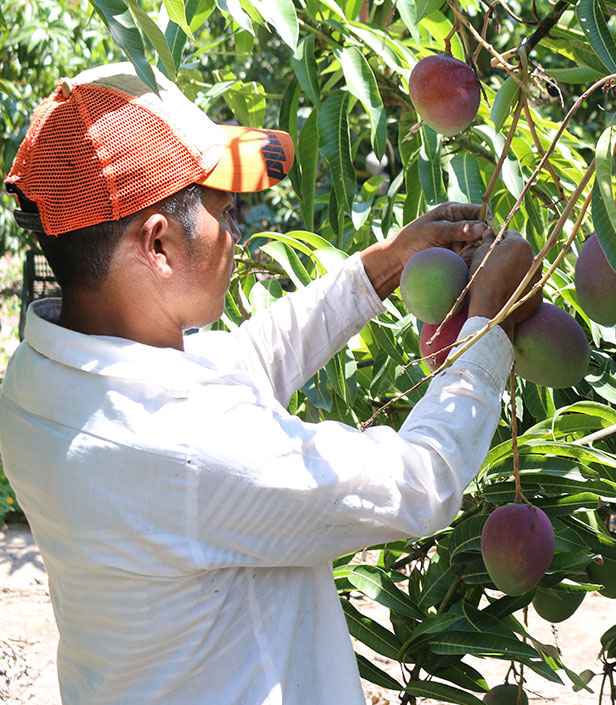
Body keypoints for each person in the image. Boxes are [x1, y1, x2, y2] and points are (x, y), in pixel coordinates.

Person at [0, 63, 537, 705]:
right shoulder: (186, 445)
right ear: (161, 245)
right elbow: (420, 481)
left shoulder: (39, 380)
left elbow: (234, 366)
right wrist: (487, 328)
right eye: (224, 213)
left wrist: (379, 269)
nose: (235, 234)